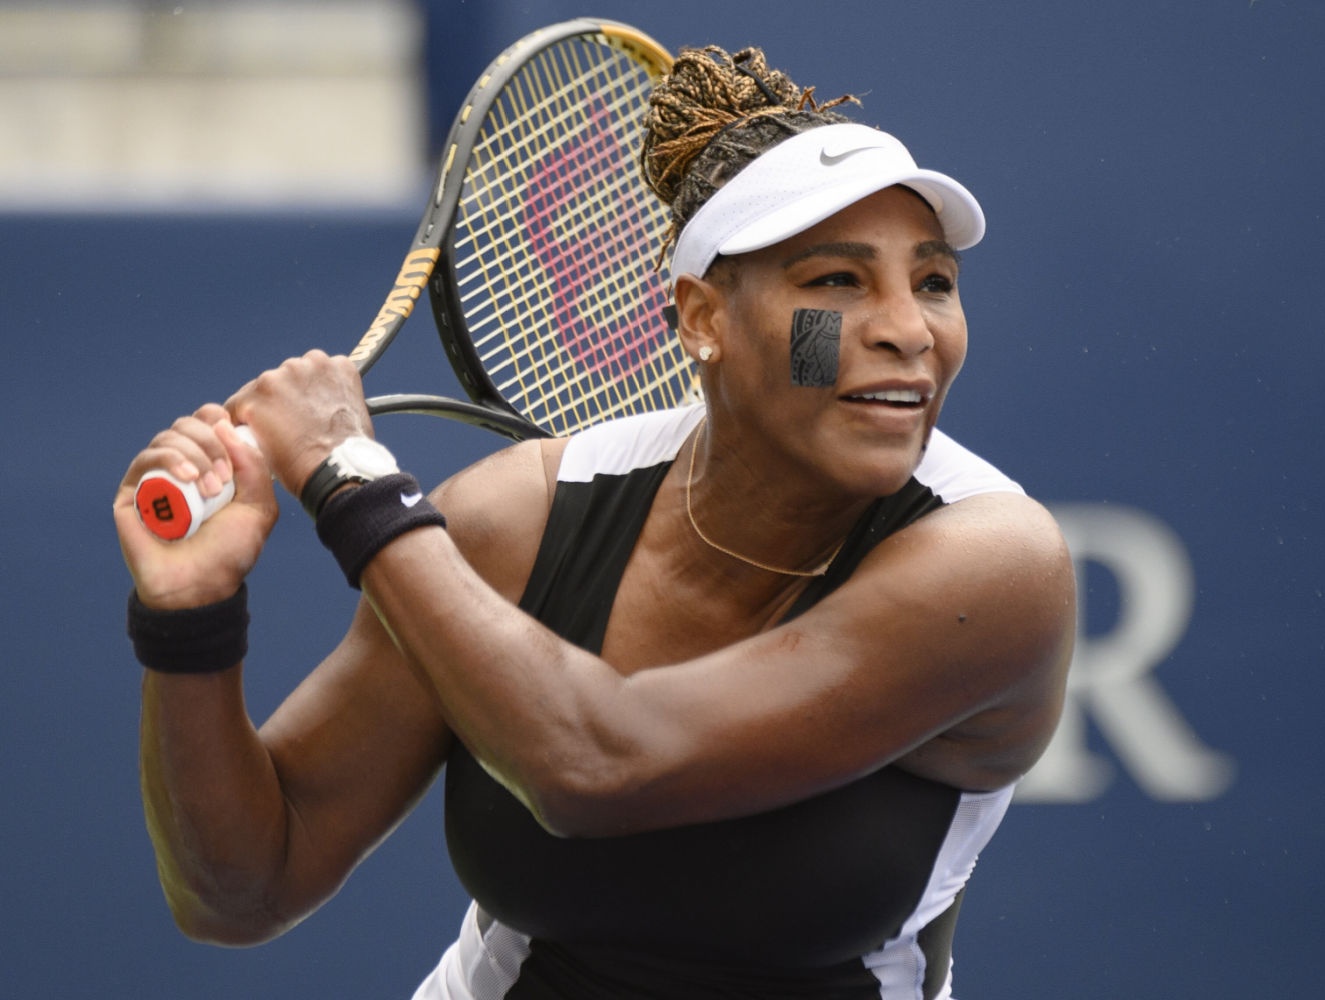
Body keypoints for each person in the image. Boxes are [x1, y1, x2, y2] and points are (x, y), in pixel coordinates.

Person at [112, 44, 1074, 1000]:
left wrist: (354, 484)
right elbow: (240, 891)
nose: (909, 328)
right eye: (837, 282)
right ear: (702, 319)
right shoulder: (518, 517)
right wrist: (191, 620)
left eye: (934, 283)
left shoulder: (994, 567)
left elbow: (598, 766)